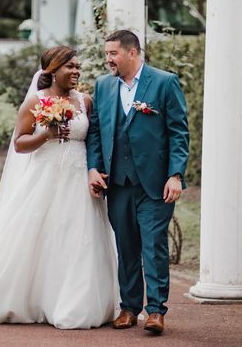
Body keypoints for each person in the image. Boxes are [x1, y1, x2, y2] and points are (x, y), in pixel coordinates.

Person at [0, 46, 118, 329]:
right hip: (45, 177)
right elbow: (20, 143)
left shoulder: (85, 101)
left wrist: (94, 170)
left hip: (77, 179)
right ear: (52, 70)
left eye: (78, 66)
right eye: (69, 67)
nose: (76, 71)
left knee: (80, 238)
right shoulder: (34, 102)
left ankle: (75, 302)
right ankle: (28, 298)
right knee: (35, 236)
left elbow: (93, 140)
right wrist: (46, 135)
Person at [86, 29, 189, 334]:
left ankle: (155, 311)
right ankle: (129, 308)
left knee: (153, 244)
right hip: (116, 182)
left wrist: (175, 174)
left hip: (155, 182)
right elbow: (95, 131)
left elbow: (178, 132)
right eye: (106, 54)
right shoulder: (104, 86)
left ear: (132, 53)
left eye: (113, 53)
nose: (108, 60)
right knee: (126, 245)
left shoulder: (164, 82)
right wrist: (93, 168)